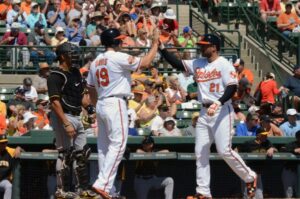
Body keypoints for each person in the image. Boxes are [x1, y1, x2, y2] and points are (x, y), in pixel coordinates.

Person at [160, 33, 257, 198]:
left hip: (221, 110)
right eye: (201, 44)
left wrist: (218, 102)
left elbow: (232, 87)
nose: (201, 47)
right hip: (204, 112)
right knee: (201, 151)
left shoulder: (224, 64)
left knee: (224, 150)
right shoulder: (198, 63)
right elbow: (177, 63)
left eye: (205, 45)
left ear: (214, 47)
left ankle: (250, 177)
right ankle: (203, 192)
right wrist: (162, 48)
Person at [86, 28, 160, 199]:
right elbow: (145, 63)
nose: (121, 42)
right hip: (115, 102)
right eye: (119, 40)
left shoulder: (96, 61)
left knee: (104, 149)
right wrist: (155, 43)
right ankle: (103, 184)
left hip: (102, 103)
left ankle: (108, 188)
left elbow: (90, 89)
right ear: (115, 42)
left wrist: (99, 106)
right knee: (118, 144)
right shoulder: (117, 57)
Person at [47, 42, 99, 199]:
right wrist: (66, 123)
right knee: (66, 154)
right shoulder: (55, 75)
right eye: (72, 53)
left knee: (82, 153)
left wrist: (90, 109)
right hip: (64, 116)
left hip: (77, 115)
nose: (75, 56)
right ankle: (61, 191)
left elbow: (82, 96)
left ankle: (81, 189)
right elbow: (55, 102)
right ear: (63, 56)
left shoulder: (76, 72)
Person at [237, 127, 278, 199]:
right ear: (258, 135)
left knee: (259, 196)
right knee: (250, 196)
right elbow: (236, 149)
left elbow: (275, 149)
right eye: (263, 135)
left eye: (266, 134)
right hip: (249, 175)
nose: (265, 136)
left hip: (258, 174)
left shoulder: (266, 142)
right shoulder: (249, 144)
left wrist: (272, 148)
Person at [0, 134, 22, 199]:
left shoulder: (9, 151)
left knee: (9, 186)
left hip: (3, 181)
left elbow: (23, 150)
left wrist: (18, 148)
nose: (4, 144)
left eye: (5, 142)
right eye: (2, 143)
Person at [280, 130, 300, 198]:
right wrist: (294, 150)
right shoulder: (292, 144)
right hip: (290, 170)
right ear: (297, 138)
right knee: (289, 193)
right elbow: (282, 150)